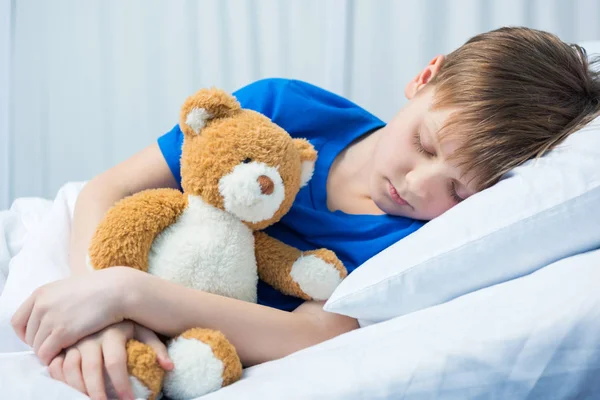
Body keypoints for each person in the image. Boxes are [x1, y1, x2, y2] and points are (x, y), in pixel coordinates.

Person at [11, 27, 600, 400]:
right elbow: (106, 191)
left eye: (460, 192)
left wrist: (130, 297)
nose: (417, 187)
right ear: (425, 77)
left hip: (164, 313)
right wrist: (99, 308)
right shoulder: (285, 106)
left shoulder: (410, 247)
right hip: (112, 260)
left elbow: (309, 333)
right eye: (424, 144)